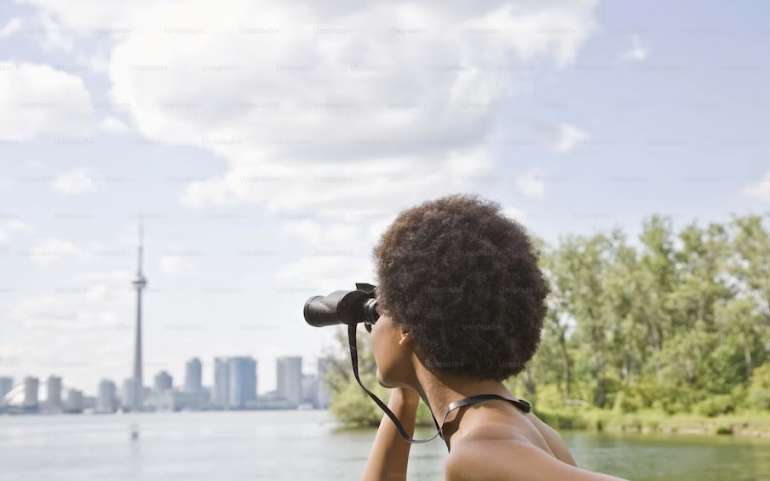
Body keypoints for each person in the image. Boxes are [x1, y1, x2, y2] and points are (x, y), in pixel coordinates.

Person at [361, 193, 628, 481]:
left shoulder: (479, 452)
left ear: (406, 328)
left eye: (383, 310)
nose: (374, 328)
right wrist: (404, 396)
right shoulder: (524, 427)